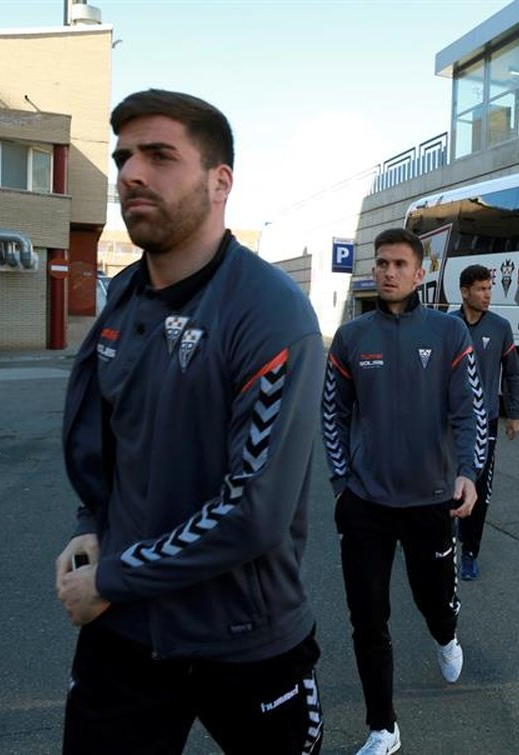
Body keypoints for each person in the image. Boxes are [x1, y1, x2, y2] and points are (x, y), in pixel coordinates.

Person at [55, 89, 324, 755]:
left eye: (158, 155)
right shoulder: (124, 298)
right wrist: (90, 526)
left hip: (245, 639)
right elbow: (103, 445)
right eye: (123, 157)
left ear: (219, 179)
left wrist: (108, 578)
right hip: (124, 633)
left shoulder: (270, 312)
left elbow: (251, 510)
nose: (131, 173)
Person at [323, 227, 487, 755]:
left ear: (421, 273)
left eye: (399, 264)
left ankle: (446, 634)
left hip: (430, 501)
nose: (388, 271)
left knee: (433, 601)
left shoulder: (447, 334)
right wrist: (341, 484)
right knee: (367, 617)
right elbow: (333, 413)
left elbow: (469, 411)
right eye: (381, 263)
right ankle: (383, 727)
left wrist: (468, 471)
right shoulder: (352, 337)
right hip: (366, 504)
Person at [452, 264, 519, 581]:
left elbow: (513, 374)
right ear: (465, 292)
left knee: (480, 487)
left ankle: (470, 552)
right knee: (443, 483)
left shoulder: (500, 326)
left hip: (486, 422)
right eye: (481, 289)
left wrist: (515, 414)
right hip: (449, 422)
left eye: (489, 288)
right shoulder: (446, 326)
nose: (487, 295)